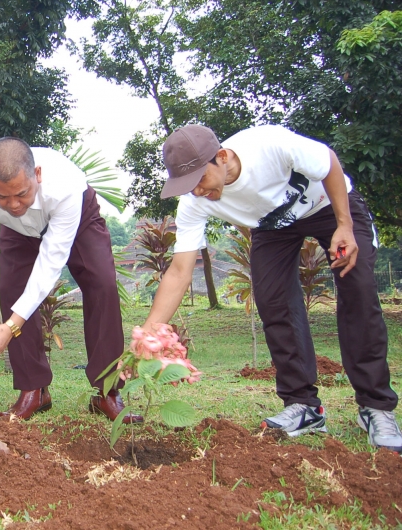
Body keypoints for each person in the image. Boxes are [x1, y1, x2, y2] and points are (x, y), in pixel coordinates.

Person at [145, 123, 401, 452]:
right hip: (274, 226)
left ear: (221, 158)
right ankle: (304, 407)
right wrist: (152, 330)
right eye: (186, 186)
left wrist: (344, 225)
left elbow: (329, 162)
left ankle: (376, 407)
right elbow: (180, 271)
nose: (196, 192)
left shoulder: (270, 144)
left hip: (329, 206)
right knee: (273, 299)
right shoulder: (194, 203)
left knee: (359, 290)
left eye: (200, 181)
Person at [0, 137, 142, 423]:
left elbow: (50, 264)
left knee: (102, 284)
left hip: (78, 220)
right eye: (2, 197)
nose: (14, 204)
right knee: (12, 289)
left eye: (21, 193)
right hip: (17, 231)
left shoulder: (64, 187)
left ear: (38, 175)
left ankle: (107, 392)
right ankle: (34, 389)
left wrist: (10, 326)